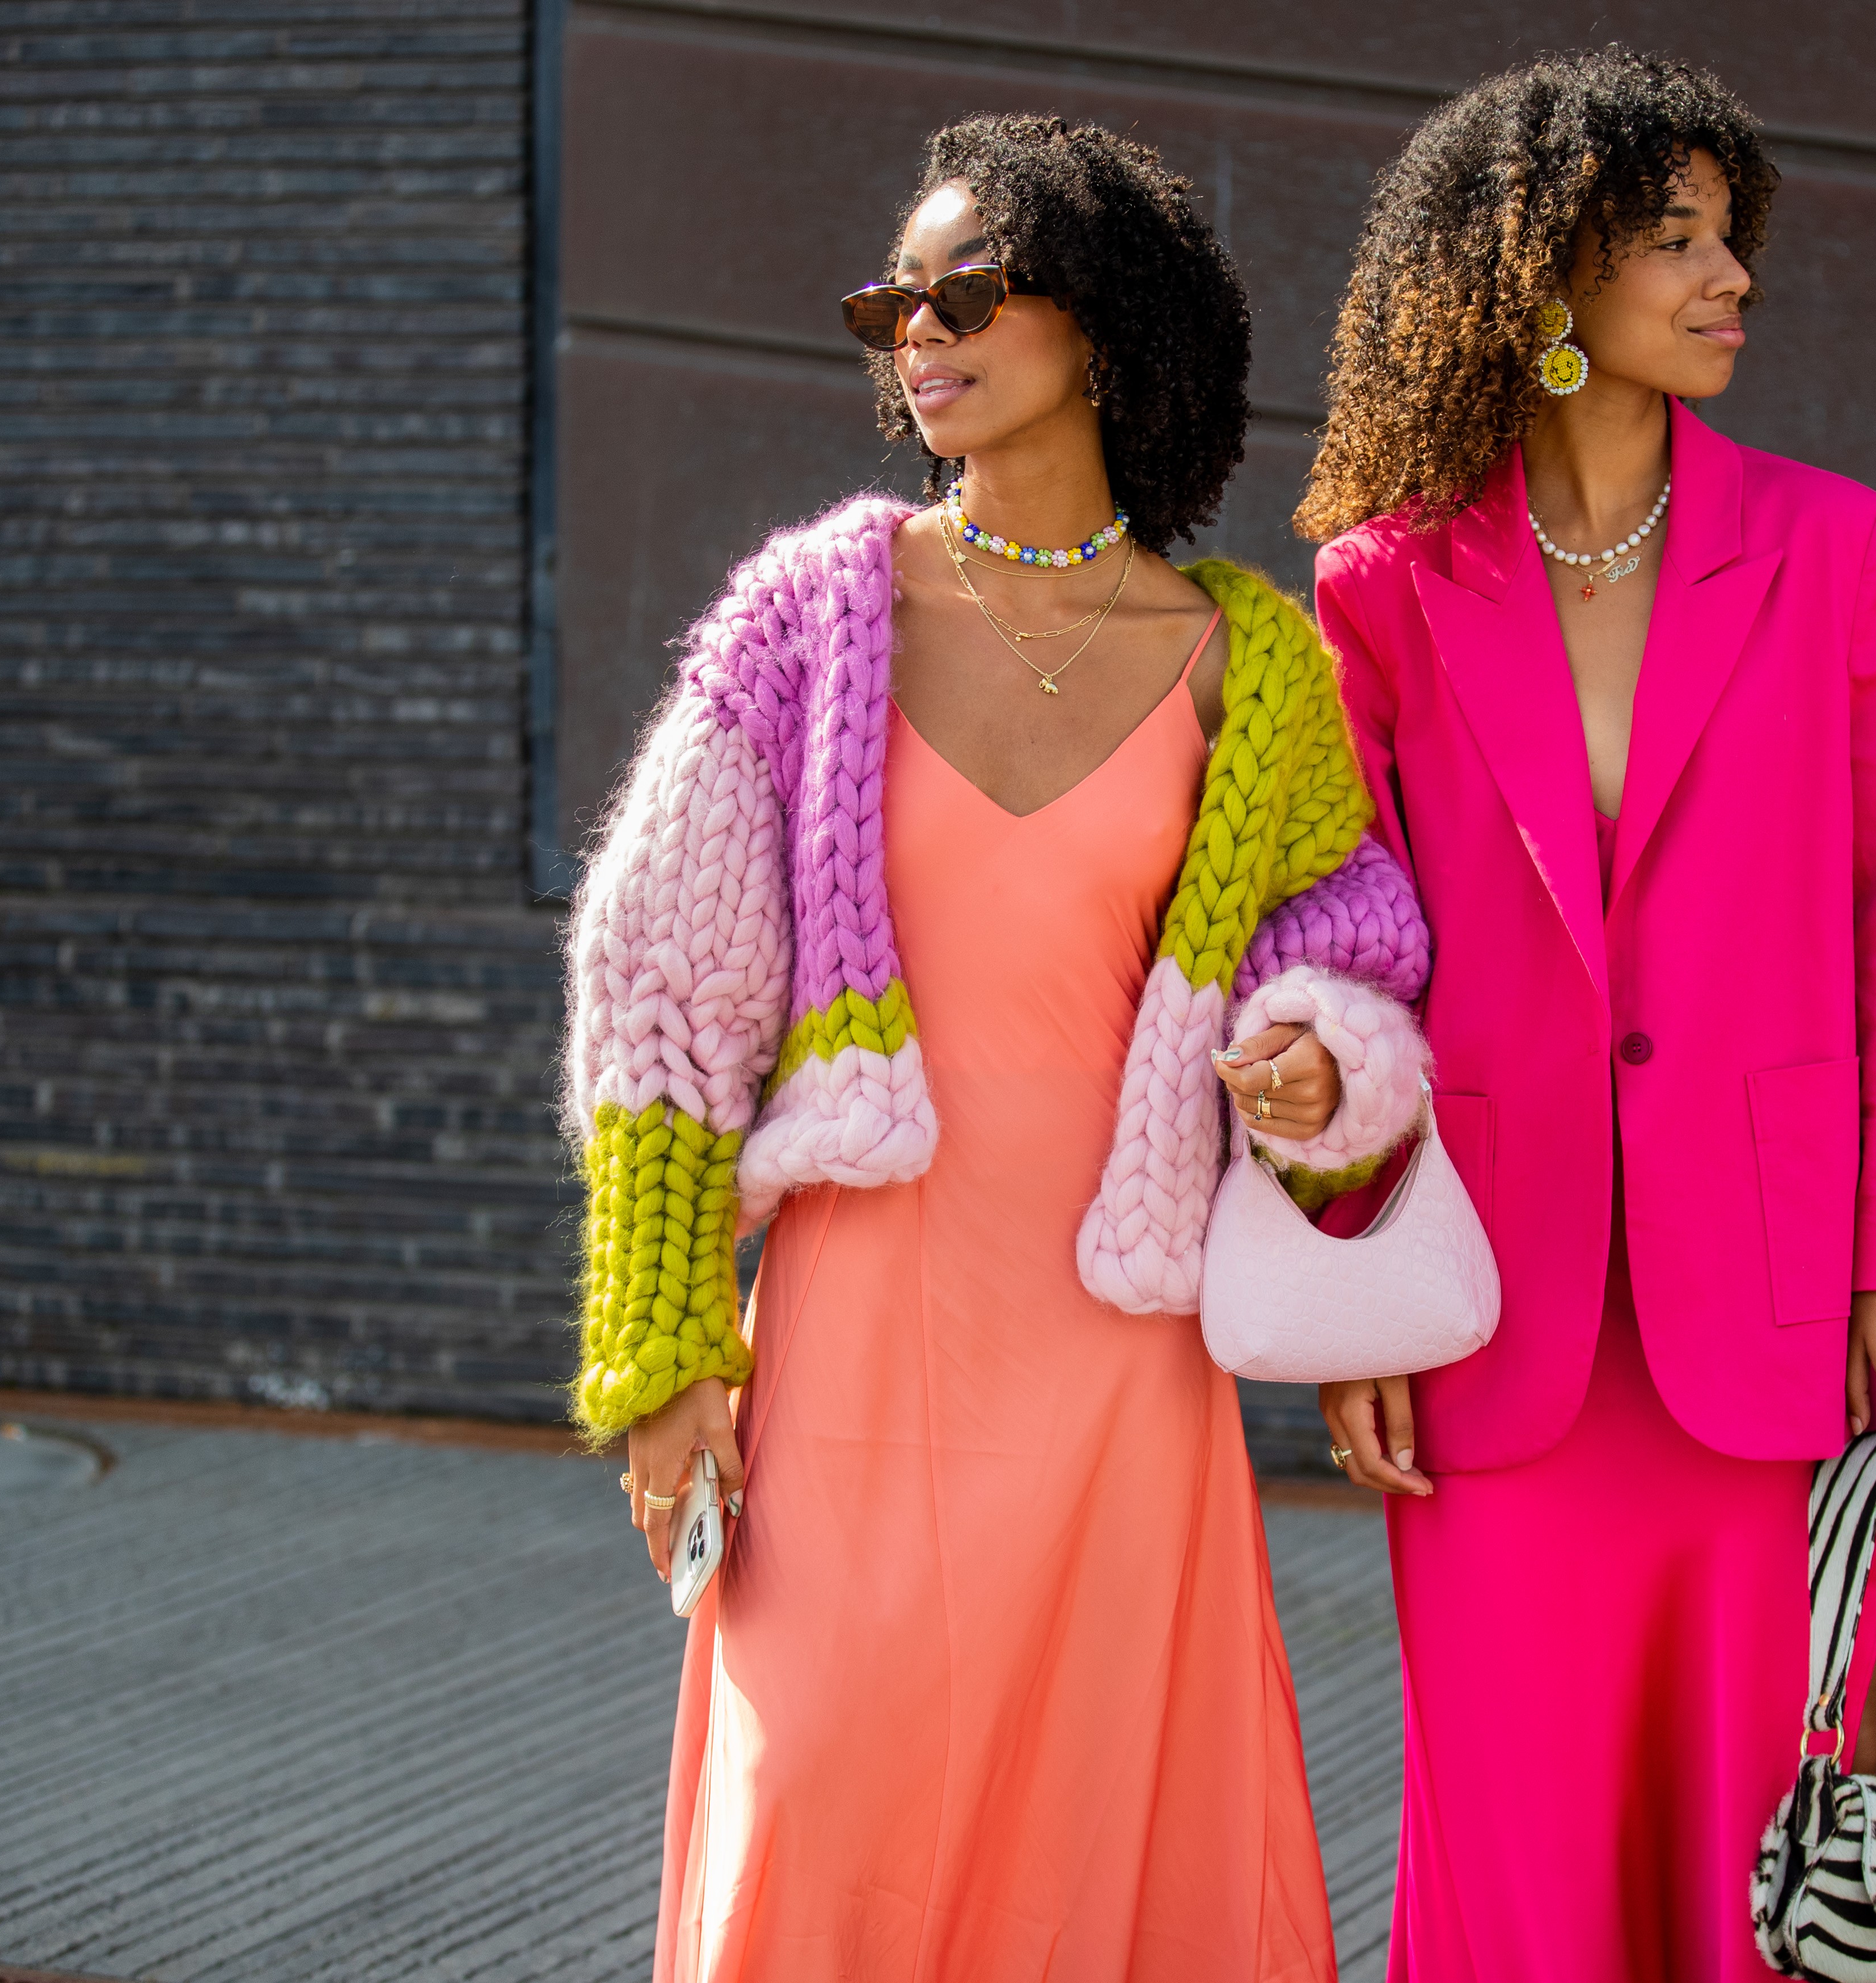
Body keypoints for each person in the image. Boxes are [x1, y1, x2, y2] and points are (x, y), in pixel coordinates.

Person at [559, 113, 1433, 1983]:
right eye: (896, 298)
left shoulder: (1246, 663)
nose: (919, 329)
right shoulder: (814, 613)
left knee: (1098, 1855)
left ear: (1103, 320)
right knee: (829, 1815)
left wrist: (1311, 1064)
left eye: (969, 287)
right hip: (859, 1355)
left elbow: (1353, 953)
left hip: (1122, 1361)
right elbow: (660, 989)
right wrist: (663, 1348)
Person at [1294, 50, 1876, 1981]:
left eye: (1729, 235)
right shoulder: (1387, 587)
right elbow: (1349, 960)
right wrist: (1355, 1270)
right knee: (1513, 1853)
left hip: (1766, 1315)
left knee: (1773, 1850)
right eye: (1672, 240)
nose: (1728, 275)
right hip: (1496, 1312)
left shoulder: (1841, 549)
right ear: (1543, 285)